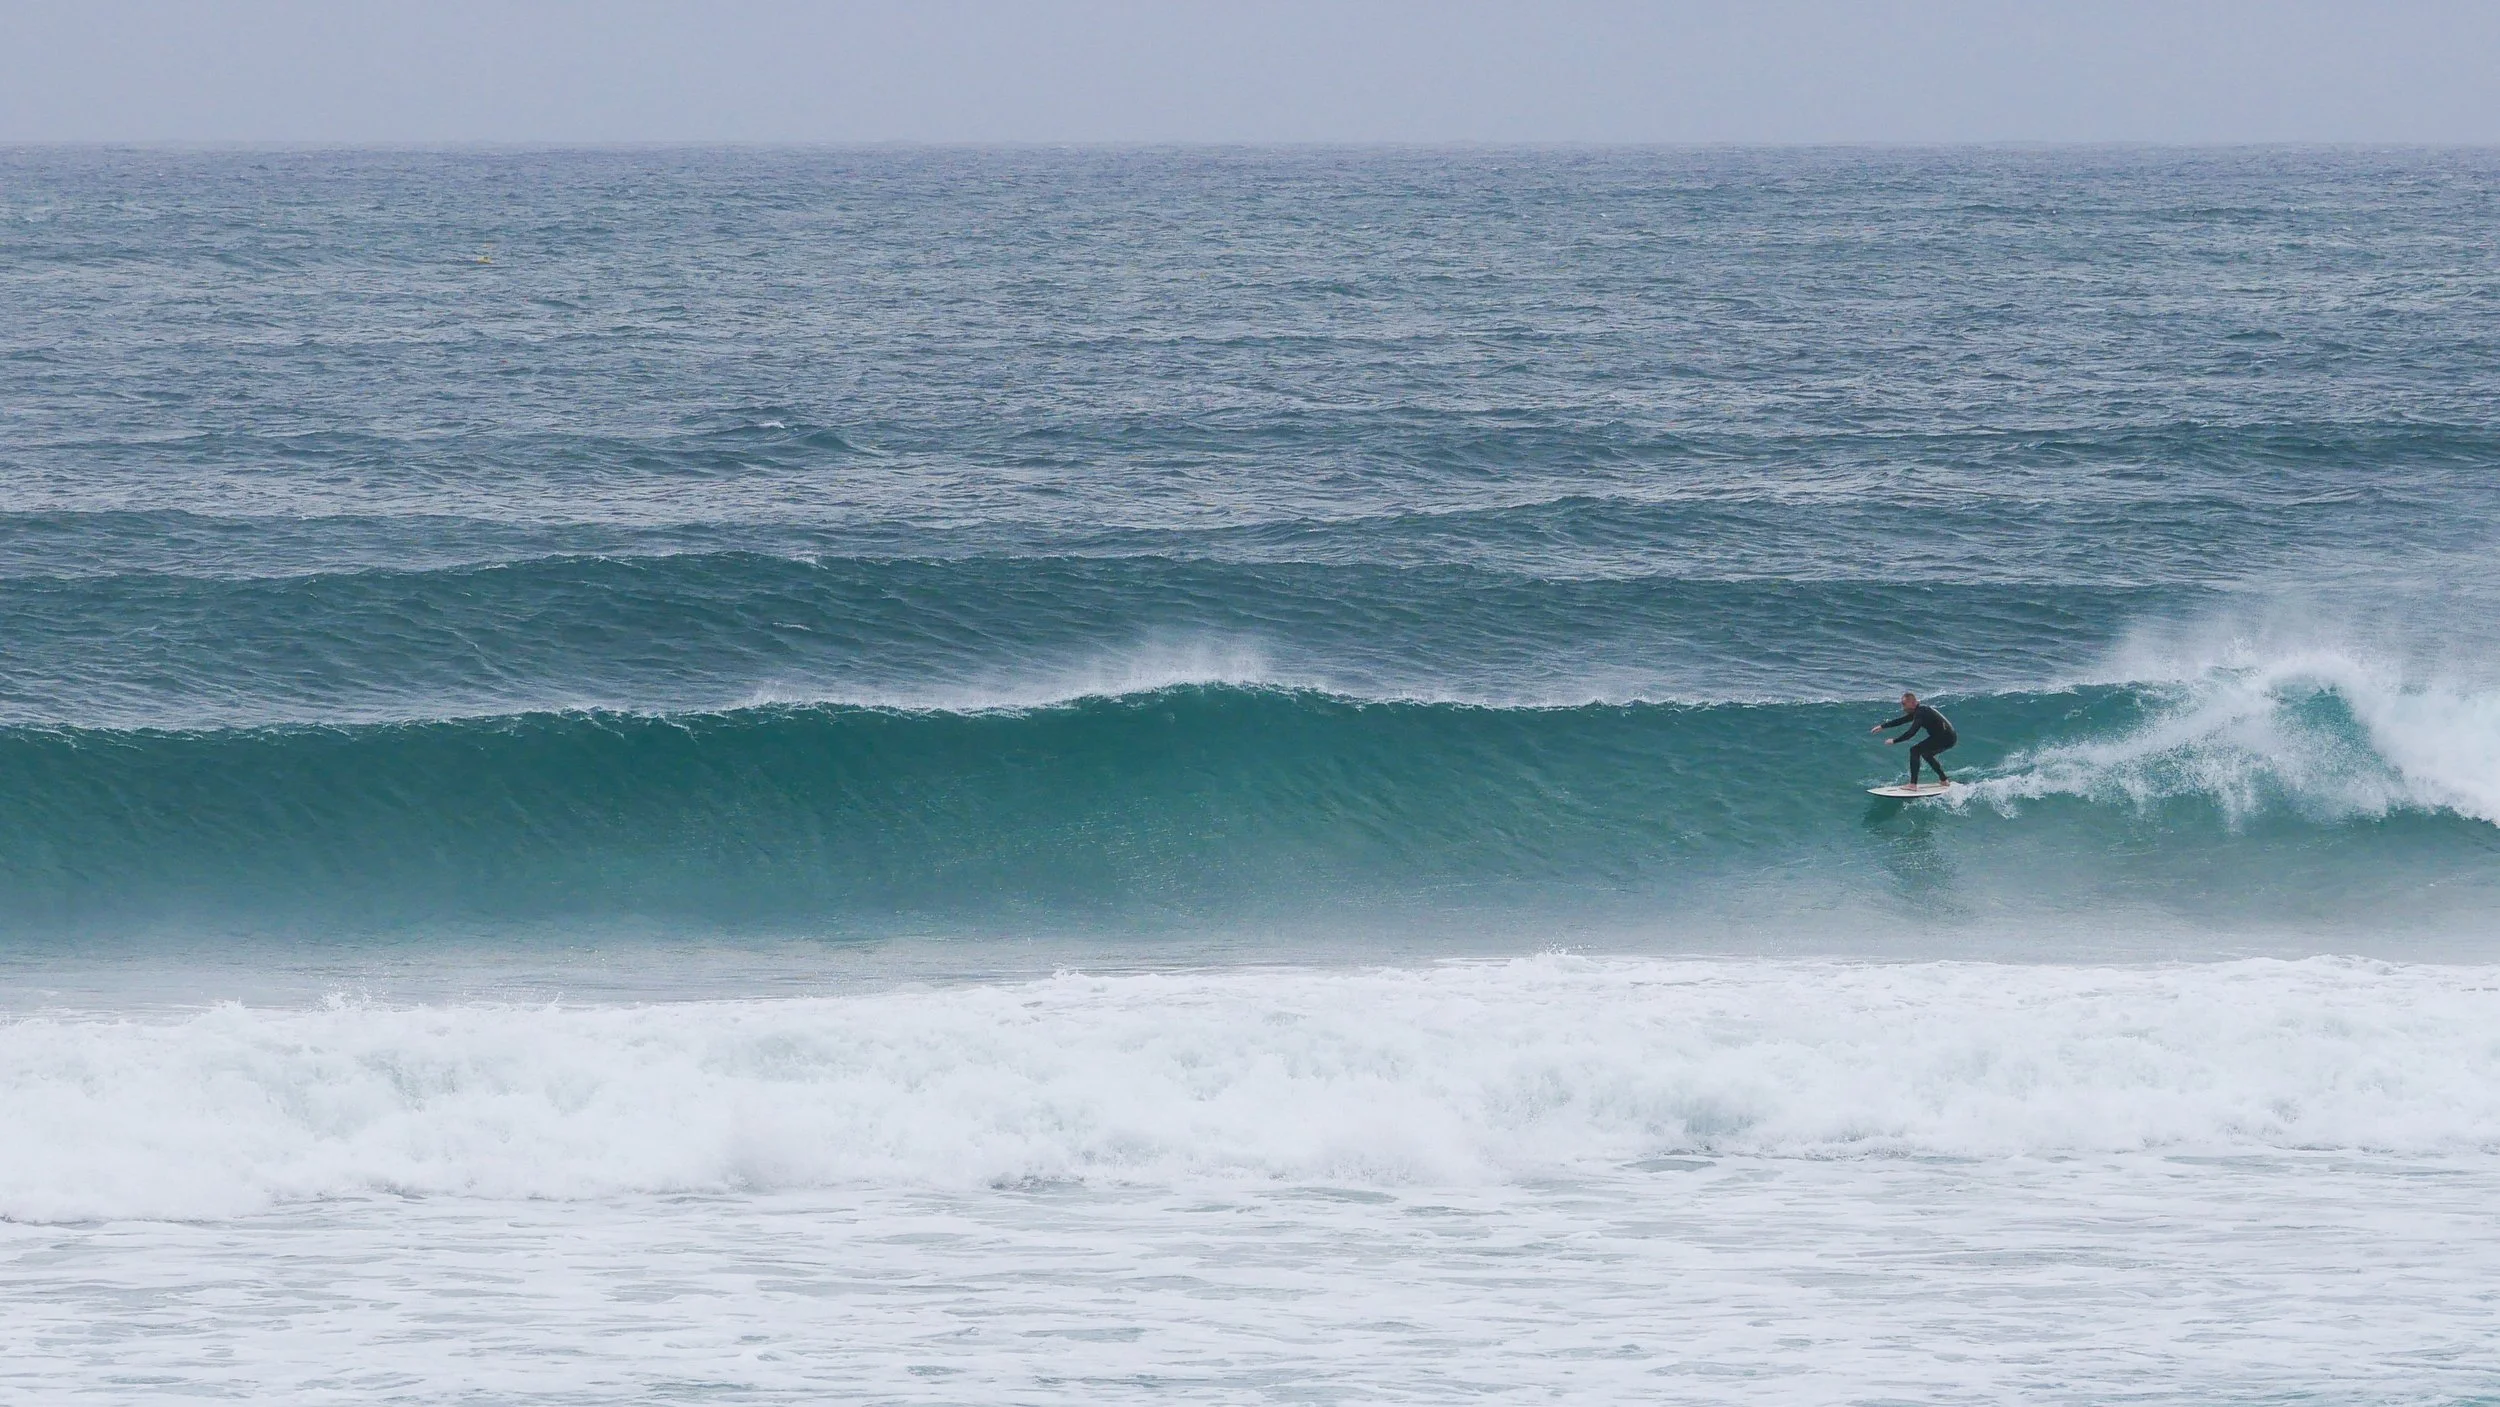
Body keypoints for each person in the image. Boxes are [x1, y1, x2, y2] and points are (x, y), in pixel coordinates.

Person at [1871, 692, 1957, 787]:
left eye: (1904, 704)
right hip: (1948, 737)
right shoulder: (1920, 710)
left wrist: (1895, 741)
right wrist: (1882, 726)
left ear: (1912, 703)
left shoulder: (1921, 712)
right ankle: (1944, 780)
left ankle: (1913, 784)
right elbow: (1902, 720)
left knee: (1915, 750)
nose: (1903, 708)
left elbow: (1911, 733)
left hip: (1945, 737)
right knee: (1926, 754)